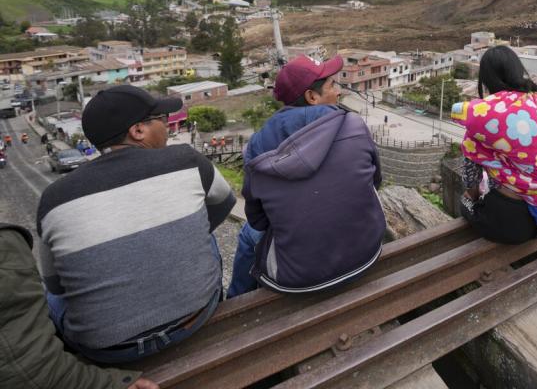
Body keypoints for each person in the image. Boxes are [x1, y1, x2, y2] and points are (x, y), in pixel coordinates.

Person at [37, 85, 235, 363]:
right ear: (138, 131)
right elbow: (224, 203)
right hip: (195, 318)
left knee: (50, 295)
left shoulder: (53, 198)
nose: (167, 128)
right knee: (207, 236)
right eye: (162, 121)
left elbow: (56, 284)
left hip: (107, 350)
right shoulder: (187, 161)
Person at [227, 54, 385, 297]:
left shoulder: (257, 147)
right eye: (332, 85)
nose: (339, 92)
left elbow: (259, 220)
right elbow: (375, 181)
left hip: (298, 279)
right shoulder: (353, 125)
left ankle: (236, 305)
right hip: (367, 254)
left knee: (249, 234)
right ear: (312, 97)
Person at [451, 46, 537, 243]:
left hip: (511, 221)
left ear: (486, 78)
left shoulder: (485, 116)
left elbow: (471, 171)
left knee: (466, 202)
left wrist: (471, 195)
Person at [0, 223, 159, 389]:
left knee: (53, 294)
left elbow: (55, 285)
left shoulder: (52, 206)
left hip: (109, 347)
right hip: (185, 325)